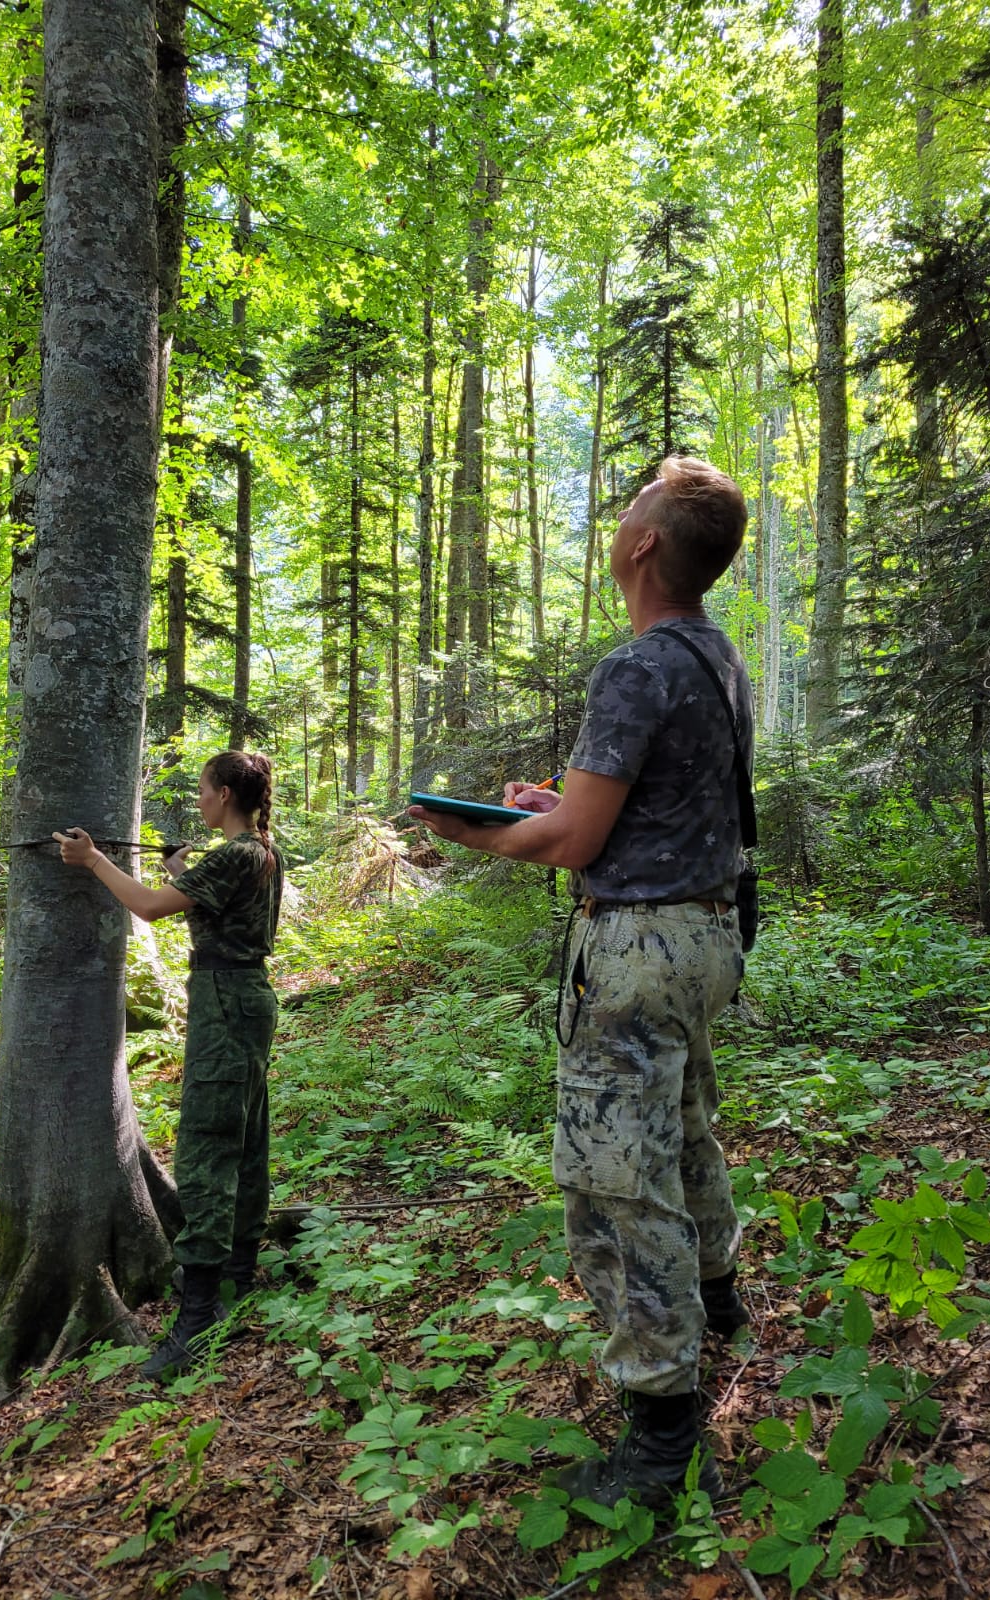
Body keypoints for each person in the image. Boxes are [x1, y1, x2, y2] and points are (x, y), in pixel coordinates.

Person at [409, 456, 753, 1509]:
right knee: (683, 1118)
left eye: (630, 513)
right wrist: (550, 801)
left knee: (614, 1172)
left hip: (640, 949)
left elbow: (576, 841)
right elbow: (640, 802)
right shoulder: (716, 656)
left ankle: (661, 1431)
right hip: (706, 936)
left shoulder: (635, 664)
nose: (619, 524)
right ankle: (719, 1298)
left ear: (645, 546)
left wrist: (479, 829)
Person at [54, 750, 283, 1380]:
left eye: (206, 789)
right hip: (244, 996)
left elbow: (152, 907)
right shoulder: (259, 848)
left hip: (226, 1000)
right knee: (244, 1130)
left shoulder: (238, 854)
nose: (200, 799)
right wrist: (184, 867)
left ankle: (200, 1315)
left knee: (209, 1143)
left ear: (228, 794)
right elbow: (202, 893)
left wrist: (94, 860)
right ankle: (238, 1270)